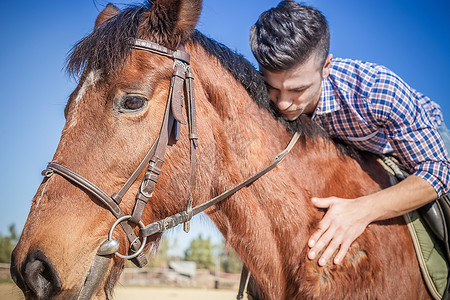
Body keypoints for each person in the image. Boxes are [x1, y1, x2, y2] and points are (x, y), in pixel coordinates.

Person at [250, 0, 450, 267]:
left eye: (298, 90)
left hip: (412, 145)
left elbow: (437, 171)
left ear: (326, 66)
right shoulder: (265, 93)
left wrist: (359, 211)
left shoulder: (377, 90)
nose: (283, 103)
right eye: (273, 88)